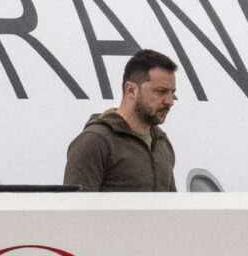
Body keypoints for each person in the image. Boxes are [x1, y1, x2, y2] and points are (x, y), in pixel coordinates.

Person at [64, 49, 178, 192]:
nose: (170, 101)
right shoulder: (95, 142)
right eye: (161, 91)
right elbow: (75, 211)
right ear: (131, 90)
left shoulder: (161, 143)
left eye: (172, 93)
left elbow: (172, 210)